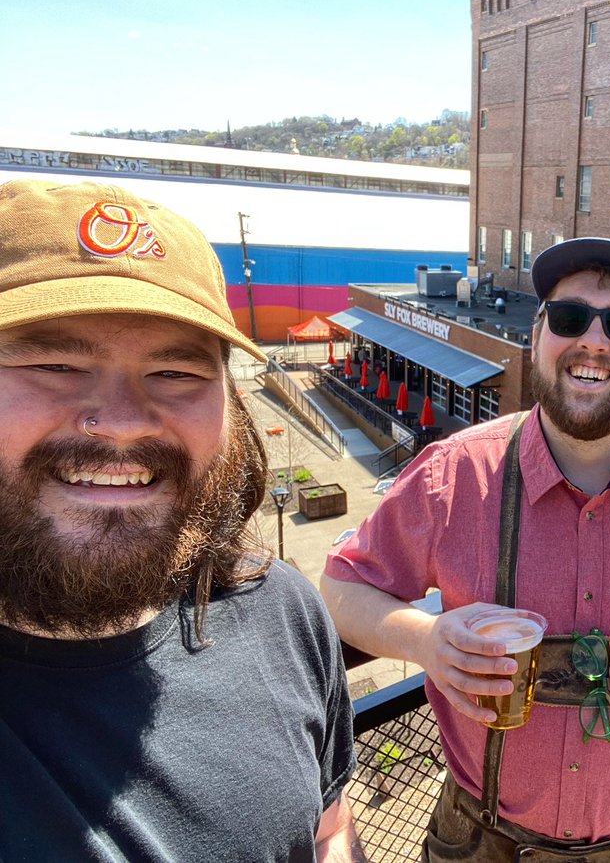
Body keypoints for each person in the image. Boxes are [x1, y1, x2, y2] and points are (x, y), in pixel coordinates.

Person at [322, 237, 610, 861]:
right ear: (537, 336)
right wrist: (423, 640)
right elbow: (342, 587)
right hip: (484, 842)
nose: (593, 340)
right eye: (569, 318)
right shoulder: (454, 472)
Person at [0, 179, 362, 862]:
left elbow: (330, 828)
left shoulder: (280, 609)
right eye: (54, 362)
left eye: (174, 372)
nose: (126, 421)